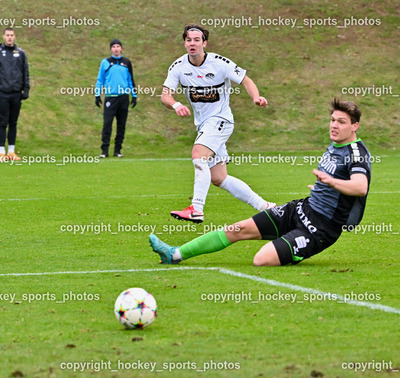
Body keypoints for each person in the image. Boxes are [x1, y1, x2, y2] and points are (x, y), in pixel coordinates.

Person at [150, 99, 370, 267]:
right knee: (237, 229)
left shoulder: (356, 153)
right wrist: (323, 189)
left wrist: (331, 183)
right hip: (302, 208)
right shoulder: (335, 145)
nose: (334, 125)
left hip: (320, 228)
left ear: (355, 126)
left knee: (261, 259)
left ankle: (291, 242)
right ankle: (174, 254)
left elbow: (360, 187)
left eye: (341, 122)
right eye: (333, 120)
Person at [161, 24, 274, 223]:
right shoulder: (178, 66)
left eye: (197, 40)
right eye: (189, 40)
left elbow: (246, 80)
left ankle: (196, 208)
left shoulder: (220, 63)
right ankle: (266, 207)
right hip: (204, 125)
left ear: (204, 43)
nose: (192, 43)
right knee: (219, 178)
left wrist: (256, 97)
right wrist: (176, 104)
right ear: (185, 43)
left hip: (221, 121)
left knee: (198, 155)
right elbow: (165, 95)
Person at [0, 27, 30, 162]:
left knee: (13, 122)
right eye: (7, 35)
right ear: (3, 37)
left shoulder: (21, 53)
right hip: (3, 93)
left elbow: (25, 72)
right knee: (3, 122)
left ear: (15, 36)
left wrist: (26, 89)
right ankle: (1, 152)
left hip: (16, 93)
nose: (10, 37)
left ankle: (11, 151)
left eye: (12, 35)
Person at [95, 38, 136, 158]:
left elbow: (130, 80)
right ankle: (104, 151)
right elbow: (100, 80)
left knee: (121, 125)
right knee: (107, 124)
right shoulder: (105, 62)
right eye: (113, 47)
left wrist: (134, 96)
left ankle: (117, 150)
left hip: (123, 98)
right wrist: (97, 95)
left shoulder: (126, 62)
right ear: (110, 49)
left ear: (122, 48)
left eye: (118, 46)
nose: (116, 49)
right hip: (110, 97)